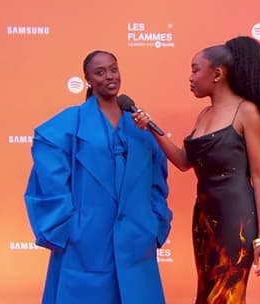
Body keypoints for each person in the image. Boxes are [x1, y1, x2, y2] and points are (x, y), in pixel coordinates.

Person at [133, 36, 260, 303]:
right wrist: (151, 126)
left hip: (236, 222)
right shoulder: (204, 115)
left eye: (195, 69)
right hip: (203, 221)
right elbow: (184, 161)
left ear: (218, 74)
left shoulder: (247, 112)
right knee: (207, 295)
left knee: (226, 296)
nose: (190, 77)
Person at [24, 50, 173, 304]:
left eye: (113, 69)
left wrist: (155, 223)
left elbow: (156, 180)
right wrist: (67, 225)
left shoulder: (138, 126)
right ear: (88, 80)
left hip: (136, 238)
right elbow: (49, 174)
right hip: (86, 239)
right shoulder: (72, 121)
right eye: (100, 72)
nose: (109, 77)